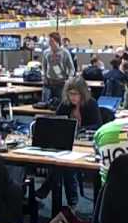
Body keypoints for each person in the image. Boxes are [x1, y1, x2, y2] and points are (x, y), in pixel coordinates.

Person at [37, 77, 103, 206]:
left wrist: (78, 128)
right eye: (70, 93)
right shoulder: (65, 104)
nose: (72, 97)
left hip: (85, 144)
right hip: (67, 143)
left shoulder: (91, 104)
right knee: (63, 163)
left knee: (63, 165)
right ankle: (72, 201)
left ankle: (48, 191)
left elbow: (98, 126)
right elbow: (56, 122)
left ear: (82, 93)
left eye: (76, 94)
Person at [42, 32, 75, 102]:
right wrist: (44, 76)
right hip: (48, 83)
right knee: (45, 103)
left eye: (52, 41)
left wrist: (69, 79)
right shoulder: (46, 52)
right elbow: (44, 66)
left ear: (57, 41)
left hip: (61, 84)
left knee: (60, 105)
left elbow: (71, 68)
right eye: (49, 41)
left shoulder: (65, 52)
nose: (50, 43)